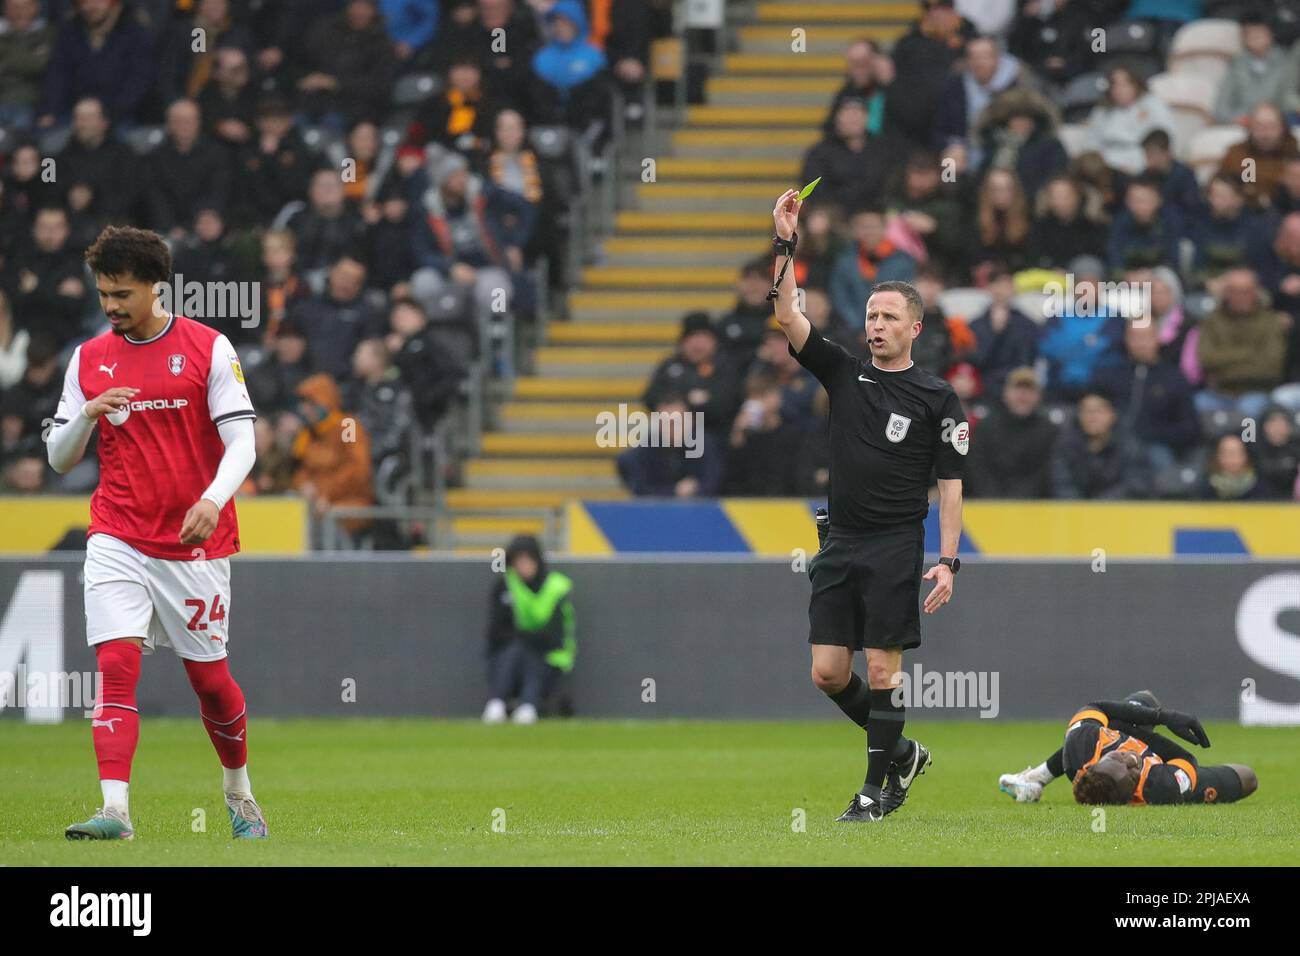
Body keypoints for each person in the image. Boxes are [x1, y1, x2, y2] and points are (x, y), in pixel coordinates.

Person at [44, 225, 266, 841]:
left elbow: (243, 441)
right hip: (116, 533)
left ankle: (239, 792)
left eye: (122, 294)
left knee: (210, 682)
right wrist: (85, 415)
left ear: (155, 287)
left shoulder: (208, 348)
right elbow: (60, 458)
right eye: (103, 295)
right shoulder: (88, 359)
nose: (111, 306)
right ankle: (115, 811)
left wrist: (212, 500)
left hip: (193, 543)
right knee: (116, 663)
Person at [771, 187, 968, 823]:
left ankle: (873, 791)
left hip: (893, 545)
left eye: (889, 317)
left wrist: (949, 560)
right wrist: (785, 242)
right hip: (840, 541)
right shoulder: (843, 372)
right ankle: (902, 753)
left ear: (914, 327)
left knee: (884, 667)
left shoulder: (937, 399)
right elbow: (787, 318)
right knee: (828, 672)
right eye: (872, 316)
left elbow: (951, 484)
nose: (876, 325)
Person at [998, 690, 1257, 806]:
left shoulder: (1082, 744)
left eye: (1118, 758)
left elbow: (1099, 706)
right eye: (1131, 771)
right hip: (1169, 765)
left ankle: (1037, 779)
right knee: (1247, 778)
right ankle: (1035, 782)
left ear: (1093, 763)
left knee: (1142, 700)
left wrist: (1165, 717)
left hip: (1098, 745)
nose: (1132, 759)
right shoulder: (1160, 787)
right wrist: (1133, 733)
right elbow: (1185, 757)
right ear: (1134, 794)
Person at [482, 534, 577, 725]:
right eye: (519, 561)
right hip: (510, 656)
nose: (524, 566)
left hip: (547, 658)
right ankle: (499, 703)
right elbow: (495, 631)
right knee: (517, 650)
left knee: (531, 653)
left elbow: (555, 635)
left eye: (528, 560)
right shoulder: (505, 585)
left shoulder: (556, 587)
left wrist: (526, 638)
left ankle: (527, 704)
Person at [964, 367, 1057, 498]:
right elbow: (977, 468)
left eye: (1029, 390)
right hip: (988, 505)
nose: (1023, 395)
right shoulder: (986, 427)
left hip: (1034, 507)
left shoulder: (1050, 431)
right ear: (1005, 393)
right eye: (1018, 389)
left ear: (1039, 396)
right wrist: (993, 499)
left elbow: (1045, 474)